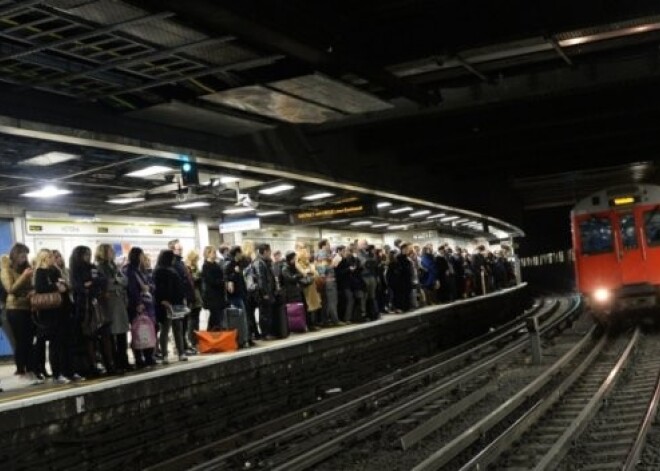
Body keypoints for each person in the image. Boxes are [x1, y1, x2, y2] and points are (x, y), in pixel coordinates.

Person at [1, 243, 39, 384]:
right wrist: (24, 276)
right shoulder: (6, 269)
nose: (24, 258)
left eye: (26, 255)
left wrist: (33, 290)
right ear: (15, 255)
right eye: (22, 255)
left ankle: (31, 371)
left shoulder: (26, 268)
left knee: (30, 341)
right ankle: (21, 371)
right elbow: (11, 289)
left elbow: (30, 286)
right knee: (21, 342)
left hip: (28, 308)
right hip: (14, 309)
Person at [33, 249, 70, 384]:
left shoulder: (55, 271)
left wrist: (63, 285)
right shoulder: (40, 272)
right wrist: (56, 285)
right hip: (48, 312)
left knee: (59, 343)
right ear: (43, 258)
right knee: (53, 343)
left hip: (59, 309)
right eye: (49, 256)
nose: (52, 259)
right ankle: (56, 373)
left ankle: (63, 371)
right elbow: (40, 288)